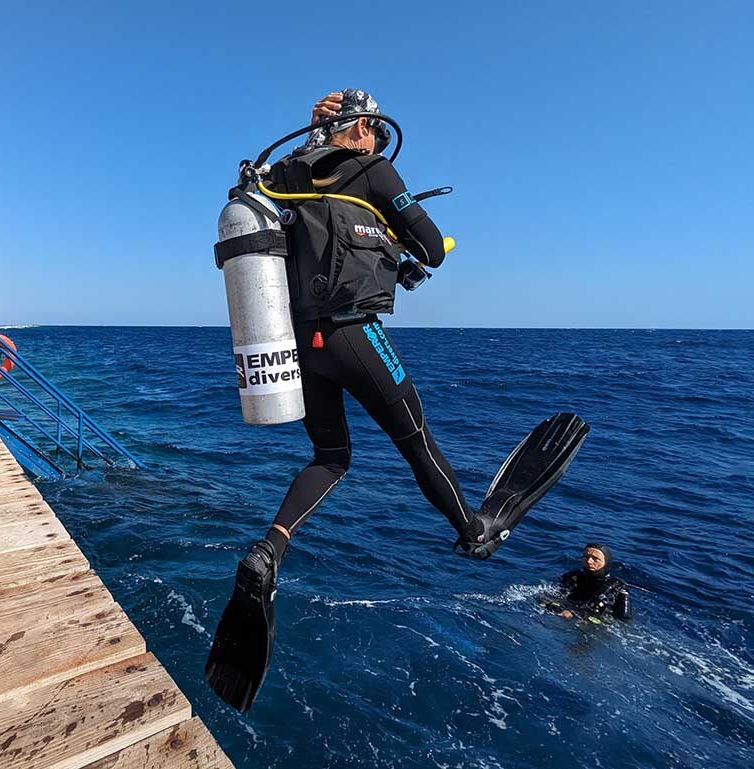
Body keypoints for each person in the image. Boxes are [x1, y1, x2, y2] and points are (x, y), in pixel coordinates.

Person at [205, 89, 590, 712]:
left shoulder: (283, 175)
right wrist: (409, 240)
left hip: (299, 341)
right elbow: (433, 247)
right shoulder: (372, 170)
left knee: (332, 455)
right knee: (417, 442)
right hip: (355, 332)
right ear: (362, 130)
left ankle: (269, 548)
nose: (378, 145)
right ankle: (473, 530)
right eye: (373, 135)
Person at [546, 543, 632, 622]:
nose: (589, 561)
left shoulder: (618, 588)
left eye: (595, 559)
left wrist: (576, 614)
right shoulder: (572, 577)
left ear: (606, 562)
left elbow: (623, 621)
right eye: (586, 557)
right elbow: (554, 594)